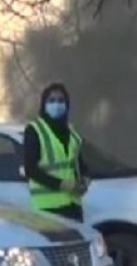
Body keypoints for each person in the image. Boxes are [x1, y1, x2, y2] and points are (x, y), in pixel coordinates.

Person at [23, 82, 89, 222]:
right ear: (44, 104)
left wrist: (85, 180)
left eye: (61, 100)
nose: (57, 105)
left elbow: (79, 164)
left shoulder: (71, 133)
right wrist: (62, 184)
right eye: (51, 100)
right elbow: (30, 169)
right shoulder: (35, 130)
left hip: (73, 205)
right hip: (48, 208)